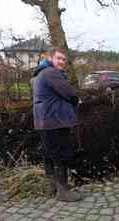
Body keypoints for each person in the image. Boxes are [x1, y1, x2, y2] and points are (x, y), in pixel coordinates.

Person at [33, 47, 82, 202]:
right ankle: (63, 192)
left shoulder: (40, 74)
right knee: (61, 155)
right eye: (59, 58)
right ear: (50, 58)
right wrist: (76, 100)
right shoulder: (50, 73)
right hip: (55, 121)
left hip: (45, 121)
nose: (62, 62)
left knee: (50, 154)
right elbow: (69, 93)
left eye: (64, 60)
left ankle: (52, 187)